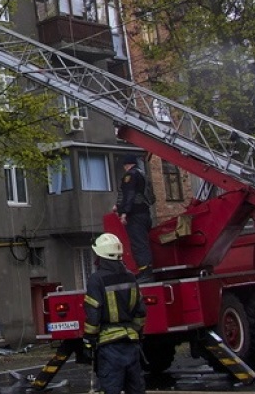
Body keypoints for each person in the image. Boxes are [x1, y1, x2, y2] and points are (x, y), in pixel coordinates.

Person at [80, 233, 147, 394]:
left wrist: (89, 341)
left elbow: (93, 314)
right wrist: (137, 333)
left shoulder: (97, 279)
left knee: (111, 389)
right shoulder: (131, 277)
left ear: (100, 256)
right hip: (132, 344)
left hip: (110, 348)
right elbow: (141, 311)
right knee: (136, 389)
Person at [114, 153, 152, 281]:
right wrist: (117, 205)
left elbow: (129, 194)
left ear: (127, 165)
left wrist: (124, 212)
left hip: (135, 214)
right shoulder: (142, 174)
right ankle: (145, 270)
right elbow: (149, 196)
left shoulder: (130, 175)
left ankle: (145, 272)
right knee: (143, 242)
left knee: (138, 243)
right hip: (145, 213)